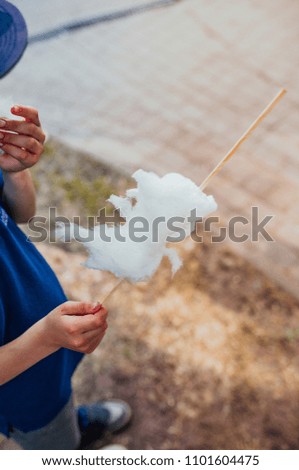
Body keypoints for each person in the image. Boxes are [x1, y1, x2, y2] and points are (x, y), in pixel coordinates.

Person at [0, 0, 131, 450]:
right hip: (20, 388)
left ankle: (73, 420)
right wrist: (45, 338)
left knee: (60, 401)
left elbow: (20, 215)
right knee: (50, 433)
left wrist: (15, 171)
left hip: (44, 353)